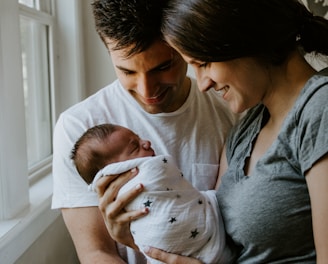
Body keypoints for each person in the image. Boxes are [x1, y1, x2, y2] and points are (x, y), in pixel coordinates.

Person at [97, 0, 328, 263]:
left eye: (204, 63)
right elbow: (215, 241)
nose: (203, 83)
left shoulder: (320, 108)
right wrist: (134, 237)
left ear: (248, 39)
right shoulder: (248, 126)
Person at [51, 0, 237, 263]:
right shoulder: (79, 128)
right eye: (127, 71)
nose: (146, 91)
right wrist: (127, 240)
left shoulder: (230, 110)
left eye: (162, 67)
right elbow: (95, 252)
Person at [71, 123, 233, 264]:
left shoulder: (224, 115)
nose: (146, 143)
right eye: (135, 147)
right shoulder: (74, 123)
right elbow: (95, 253)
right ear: (115, 171)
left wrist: (134, 242)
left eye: (139, 138)